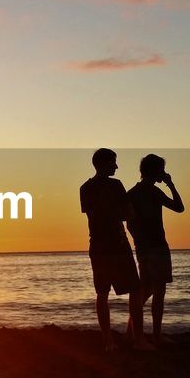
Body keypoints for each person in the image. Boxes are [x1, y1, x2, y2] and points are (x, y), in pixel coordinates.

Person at [80, 149, 149, 352]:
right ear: (103, 163)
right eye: (114, 163)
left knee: (102, 292)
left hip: (98, 244)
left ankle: (108, 341)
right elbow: (128, 214)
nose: (116, 167)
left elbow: (93, 215)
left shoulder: (85, 188)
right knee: (135, 289)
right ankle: (138, 340)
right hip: (116, 244)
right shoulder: (115, 185)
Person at [127, 154, 184, 348]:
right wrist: (170, 184)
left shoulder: (132, 192)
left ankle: (132, 329)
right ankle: (156, 335)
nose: (164, 173)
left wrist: (137, 239)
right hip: (157, 246)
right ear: (154, 171)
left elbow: (129, 223)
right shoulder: (153, 192)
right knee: (158, 291)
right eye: (161, 170)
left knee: (146, 289)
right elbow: (179, 207)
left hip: (142, 247)